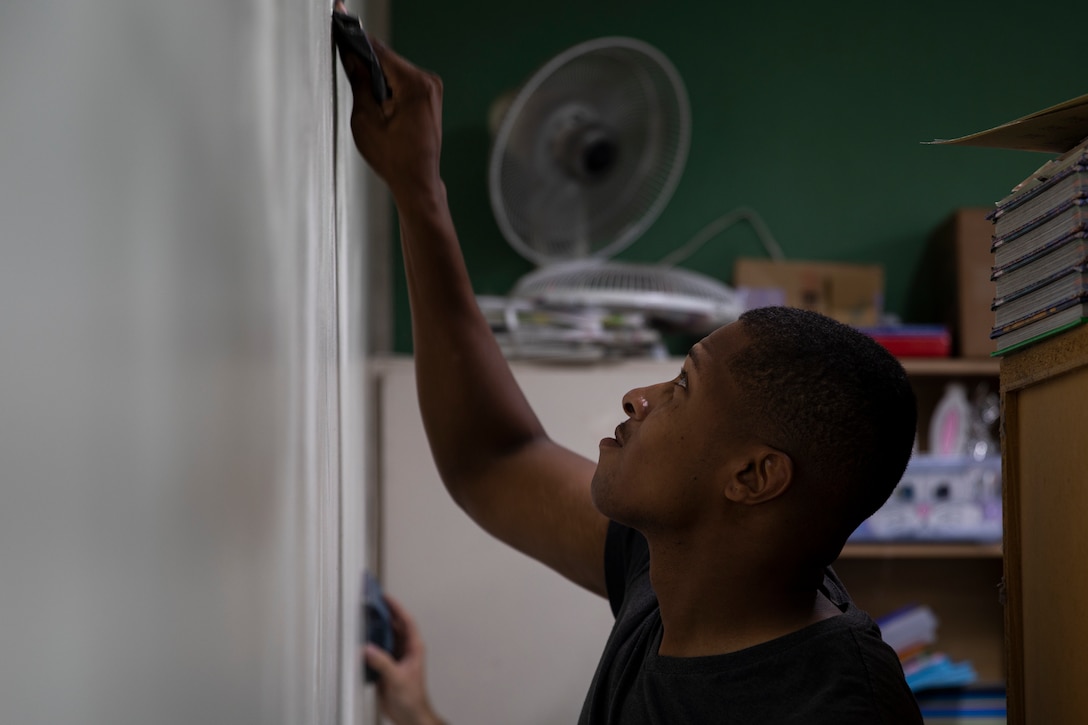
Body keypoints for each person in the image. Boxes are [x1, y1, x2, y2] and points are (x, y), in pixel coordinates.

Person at [339, 13, 925, 724]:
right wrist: (419, 192)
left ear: (752, 476)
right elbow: (493, 458)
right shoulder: (689, 568)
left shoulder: (829, 710)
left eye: (682, 387)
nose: (637, 395)